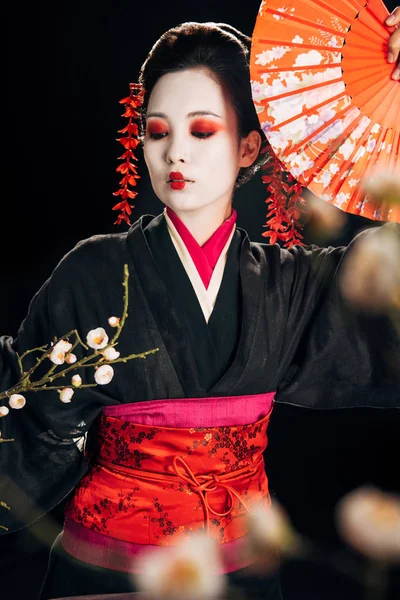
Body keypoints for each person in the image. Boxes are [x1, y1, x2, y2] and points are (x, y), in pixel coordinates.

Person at [1, 12, 399, 600]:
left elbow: (384, 292)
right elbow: (27, 419)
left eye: (202, 130)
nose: (174, 154)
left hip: (242, 574)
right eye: (158, 132)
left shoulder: (291, 284)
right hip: (106, 573)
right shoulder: (92, 274)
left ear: (248, 147)